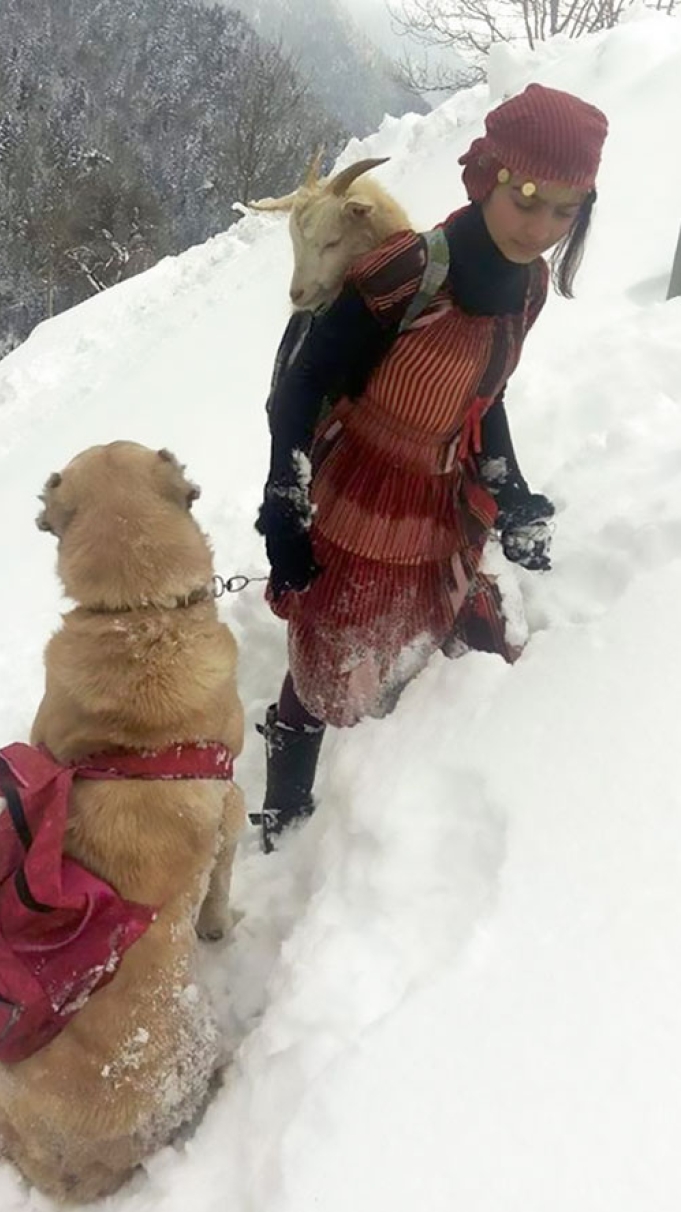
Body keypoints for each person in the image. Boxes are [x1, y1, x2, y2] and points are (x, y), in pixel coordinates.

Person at [253, 83, 608, 852]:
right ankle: (284, 802)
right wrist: (284, 501)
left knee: (442, 619)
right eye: (524, 196)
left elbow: (487, 394)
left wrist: (509, 492)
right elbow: (302, 384)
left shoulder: (529, 286)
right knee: (329, 653)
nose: (539, 226)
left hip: (440, 492)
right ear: (486, 176)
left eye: (563, 208)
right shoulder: (407, 272)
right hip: (362, 487)